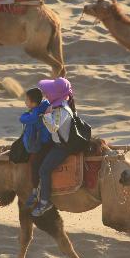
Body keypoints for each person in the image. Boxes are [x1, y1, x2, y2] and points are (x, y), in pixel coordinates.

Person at [30, 78, 75, 217]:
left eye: (48, 92)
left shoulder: (62, 110)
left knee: (44, 170)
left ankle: (45, 201)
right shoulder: (58, 106)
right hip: (56, 143)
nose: (46, 94)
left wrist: (46, 114)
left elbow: (52, 127)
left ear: (56, 94)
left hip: (62, 147)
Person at [20, 88, 52, 207]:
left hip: (44, 144)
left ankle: (35, 192)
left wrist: (26, 115)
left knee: (35, 165)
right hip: (48, 141)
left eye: (26, 100)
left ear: (33, 102)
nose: (25, 102)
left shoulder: (36, 113)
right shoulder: (45, 105)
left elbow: (23, 119)